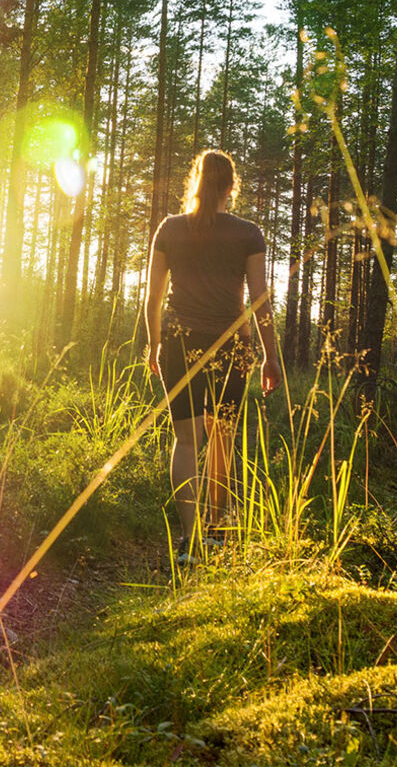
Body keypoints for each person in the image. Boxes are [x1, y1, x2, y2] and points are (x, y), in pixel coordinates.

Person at [144, 150, 282, 565]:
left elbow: (152, 297)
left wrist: (154, 344)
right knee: (222, 437)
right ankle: (217, 534)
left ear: (197, 182)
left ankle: (189, 541)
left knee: (186, 440)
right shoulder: (248, 233)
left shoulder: (169, 228)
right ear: (230, 187)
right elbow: (260, 300)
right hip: (232, 347)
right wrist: (270, 357)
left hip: (179, 345)